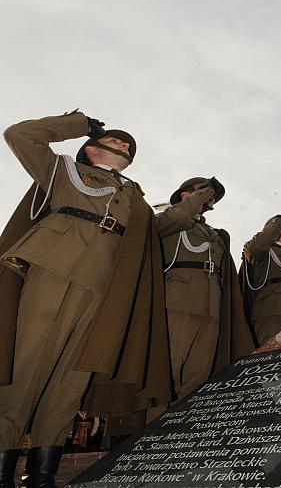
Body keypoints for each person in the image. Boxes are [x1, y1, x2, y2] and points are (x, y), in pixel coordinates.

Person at [0, 111, 170, 488]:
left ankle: (41, 474)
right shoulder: (63, 172)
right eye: (115, 140)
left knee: (70, 382)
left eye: (128, 145)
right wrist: (79, 125)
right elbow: (19, 135)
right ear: (91, 150)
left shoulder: (135, 197)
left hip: (106, 288)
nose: (124, 144)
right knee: (25, 368)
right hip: (55, 267)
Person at [157, 177, 254, 400]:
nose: (211, 197)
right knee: (167, 376)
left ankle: (183, 422)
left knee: (197, 380)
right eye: (203, 192)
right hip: (178, 302)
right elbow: (175, 217)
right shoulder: (169, 219)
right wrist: (203, 193)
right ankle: (154, 422)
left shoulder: (214, 233)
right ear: (185, 195)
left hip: (211, 306)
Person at [241, 214, 281, 346]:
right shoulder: (262, 251)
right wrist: (279, 222)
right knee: (271, 352)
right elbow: (255, 248)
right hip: (272, 309)